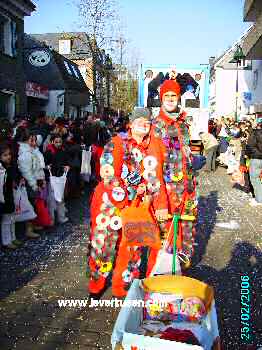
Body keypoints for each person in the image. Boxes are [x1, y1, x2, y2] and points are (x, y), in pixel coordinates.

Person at [88, 107, 168, 297]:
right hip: (109, 204)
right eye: (140, 121)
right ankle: (96, 285)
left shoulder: (153, 146)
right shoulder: (116, 143)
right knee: (103, 246)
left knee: (133, 247)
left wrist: (158, 201)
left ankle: (122, 287)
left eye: (148, 122)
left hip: (137, 205)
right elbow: (108, 176)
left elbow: (156, 178)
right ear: (130, 124)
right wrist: (127, 195)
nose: (144, 125)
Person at [153, 79, 197, 267]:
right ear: (162, 98)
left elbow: (184, 153)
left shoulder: (183, 124)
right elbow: (153, 169)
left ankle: (182, 277)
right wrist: (160, 203)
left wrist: (193, 162)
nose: (171, 99)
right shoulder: (157, 126)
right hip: (168, 196)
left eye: (174, 95)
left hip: (187, 192)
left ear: (179, 98)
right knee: (167, 243)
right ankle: (166, 283)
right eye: (167, 95)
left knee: (187, 237)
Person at [0, 143, 23, 249]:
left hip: (11, 195)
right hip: (4, 198)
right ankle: (6, 241)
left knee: (12, 218)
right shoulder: (2, 169)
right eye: (5, 155)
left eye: (9, 154)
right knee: (6, 220)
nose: (8, 156)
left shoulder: (10, 166)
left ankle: (13, 238)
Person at [44, 134, 70, 224]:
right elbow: (44, 164)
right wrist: (47, 167)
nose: (58, 144)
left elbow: (66, 162)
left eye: (60, 142)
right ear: (52, 142)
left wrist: (67, 166)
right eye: (56, 142)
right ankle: (52, 219)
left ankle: (60, 217)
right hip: (51, 178)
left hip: (60, 177)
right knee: (51, 199)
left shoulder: (63, 151)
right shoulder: (48, 152)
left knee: (61, 198)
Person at [245, 118, 262, 206]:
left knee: (255, 178)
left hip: (256, 158)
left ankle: (259, 199)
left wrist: (247, 154)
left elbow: (249, 145)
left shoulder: (255, 133)